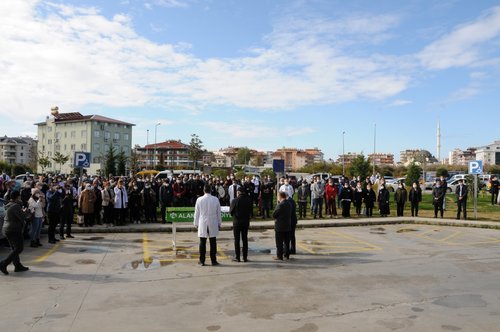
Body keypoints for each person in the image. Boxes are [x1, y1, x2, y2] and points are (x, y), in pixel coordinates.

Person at [0, 191, 29, 275]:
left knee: (14, 248)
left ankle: (17, 265)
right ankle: (4, 263)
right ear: (18, 197)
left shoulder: (9, 205)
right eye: (19, 196)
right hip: (14, 229)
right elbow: (22, 217)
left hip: (7, 229)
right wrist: (25, 211)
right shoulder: (15, 206)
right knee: (19, 248)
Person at [194, 185, 222, 266]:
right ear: (211, 190)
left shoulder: (199, 199)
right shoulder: (215, 199)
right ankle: (214, 260)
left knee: (202, 242)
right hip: (213, 221)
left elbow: (197, 213)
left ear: (203, 190)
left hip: (203, 221)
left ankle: (202, 260)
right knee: (213, 242)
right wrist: (219, 223)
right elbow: (218, 213)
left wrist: (196, 223)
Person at [230, 187, 253, 262]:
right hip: (245, 222)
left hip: (237, 222)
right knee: (244, 239)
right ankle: (245, 257)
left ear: (239, 192)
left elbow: (231, 212)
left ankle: (237, 257)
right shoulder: (249, 200)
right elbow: (251, 211)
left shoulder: (235, 200)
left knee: (237, 240)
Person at [273, 191, 291, 261]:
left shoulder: (280, 205)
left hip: (280, 226)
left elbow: (274, 214)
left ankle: (279, 256)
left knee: (279, 242)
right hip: (287, 225)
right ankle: (287, 255)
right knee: (287, 242)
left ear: (280, 197)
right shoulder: (289, 204)